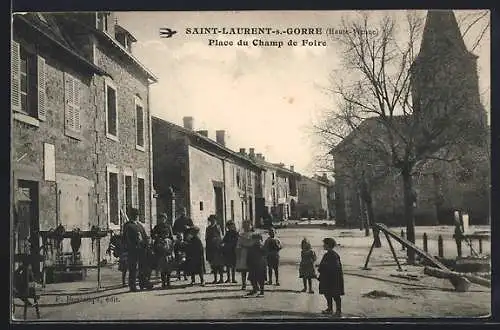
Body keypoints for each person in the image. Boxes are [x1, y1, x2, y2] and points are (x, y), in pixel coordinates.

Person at [318, 237, 344, 317]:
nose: (323, 245)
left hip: (333, 278)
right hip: (327, 278)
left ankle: (338, 311)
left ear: (328, 245)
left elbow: (334, 267)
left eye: (324, 244)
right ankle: (330, 309)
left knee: (335, 295)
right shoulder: (328, 254)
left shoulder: (333, 255)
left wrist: (323, 267)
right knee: (327, 293)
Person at [122, 208, 142, 292]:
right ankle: (132, 285)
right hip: (132, 250)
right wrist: (129, 248)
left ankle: (142, 283)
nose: (136, 217)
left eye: (137, 215)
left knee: (139, 267)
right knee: (133, 268)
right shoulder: (128, 226)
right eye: (135, 216)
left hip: (140, 249)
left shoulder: (138, 225)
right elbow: (126, 239)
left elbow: (142, 236)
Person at [205, 215, 225, 284]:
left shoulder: (218, 227)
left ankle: (221, 278)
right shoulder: (208, 228)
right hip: (211, 248)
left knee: (220, 264)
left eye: (214, 220)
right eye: (211, 220)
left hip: (218, 247)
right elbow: (206, 238)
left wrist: (217, 240)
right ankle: (215, 278)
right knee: (213, 264)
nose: (212, 221)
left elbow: (221, 236)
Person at [235, 220, 254, 290]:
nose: (247, 227)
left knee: (253, 269)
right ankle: (244, 284)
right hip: (244, 253)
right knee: (244, 270)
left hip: (252, 253)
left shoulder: (253, 234)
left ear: (251, 226)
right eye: (245, 226)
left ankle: (254, 284)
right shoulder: (241, 235)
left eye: (248, 226)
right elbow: (238, 245)